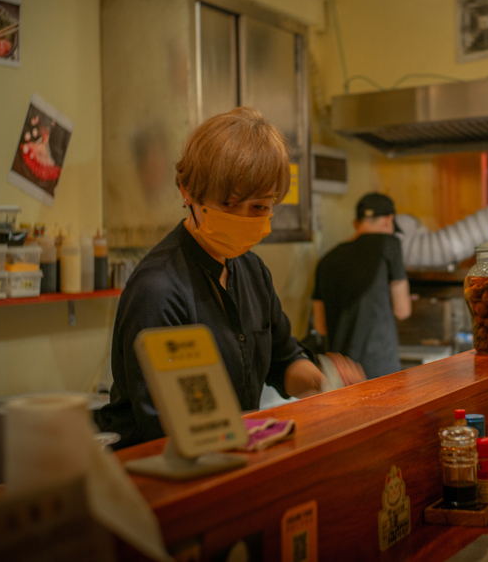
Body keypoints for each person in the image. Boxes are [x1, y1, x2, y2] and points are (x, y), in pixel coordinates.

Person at [97, 108, 360, 449]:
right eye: (230, 203)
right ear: (187, 192)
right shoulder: (158, 289)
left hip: (226, 459)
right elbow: (166, 426)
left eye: (260, 207)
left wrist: (322, 381)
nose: (243, 217)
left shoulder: (252, 272)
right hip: (159, 473)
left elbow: (282, 359)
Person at [312, 193, 412, 379]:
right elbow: (402, 310)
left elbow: (320, 326)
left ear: (355, 223)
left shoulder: (326, 260)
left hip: (341, 371)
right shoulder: (389, 244)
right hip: (379, 368)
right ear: (388, 220)